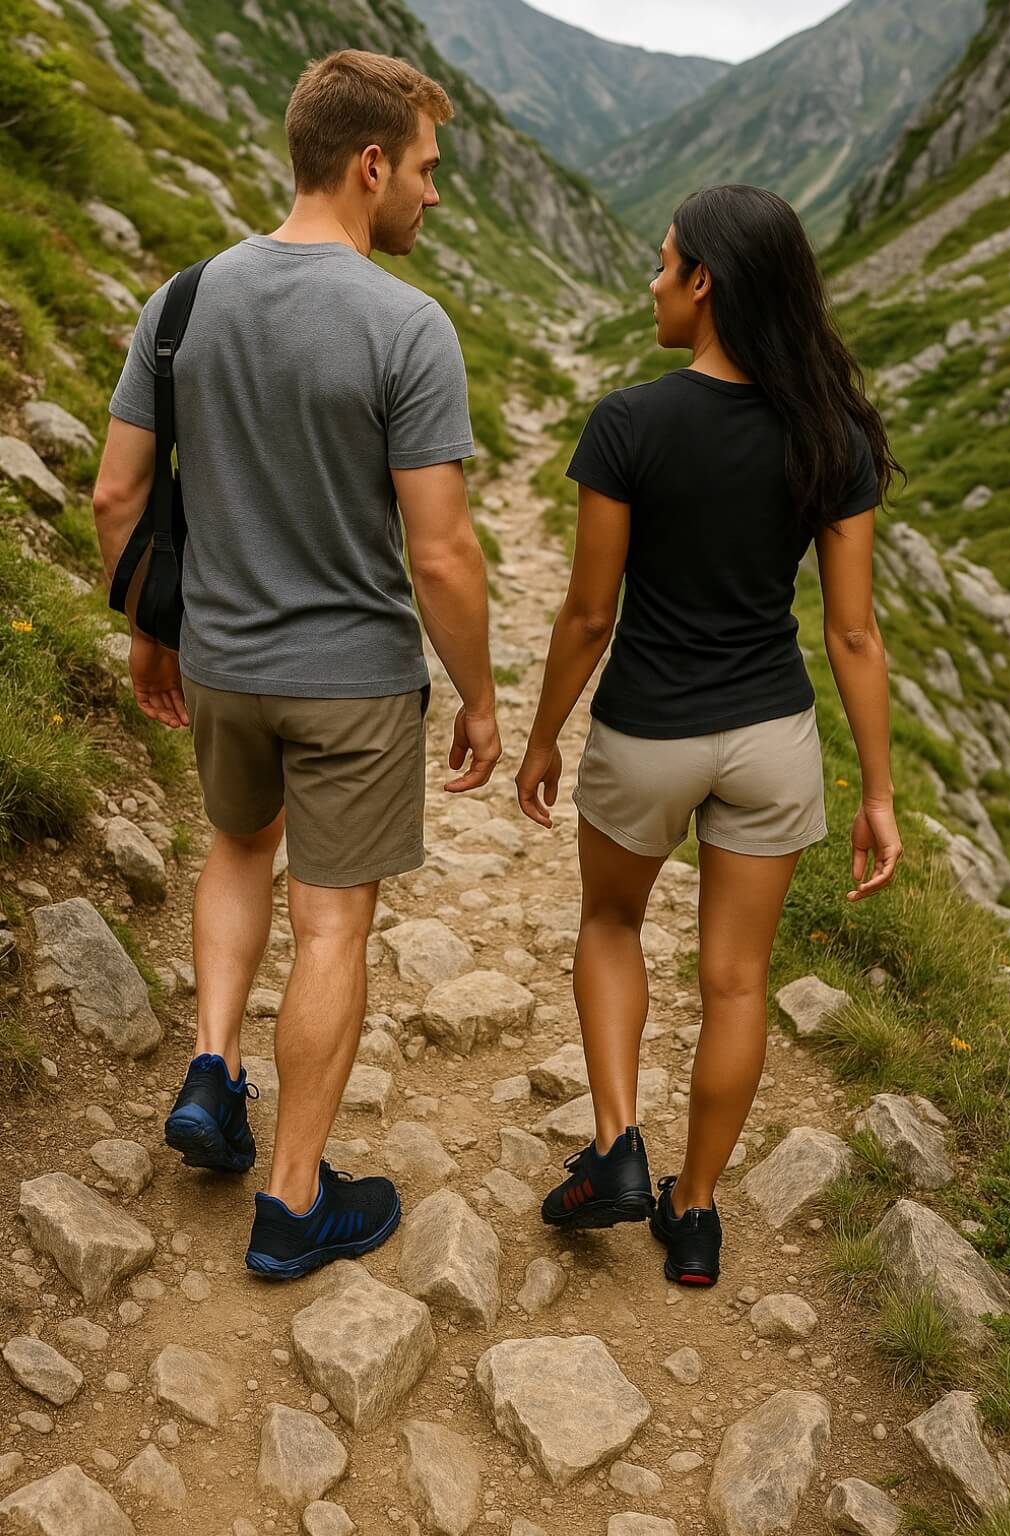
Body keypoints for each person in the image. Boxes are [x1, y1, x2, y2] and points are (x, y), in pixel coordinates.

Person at [92, 50, 501, 1281]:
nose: (432, 195)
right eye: (426, 170)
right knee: (331, 926)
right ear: (370, 163)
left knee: (236, 848)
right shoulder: (406, 324)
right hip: (354, 683)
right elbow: (441, 555)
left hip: (219, 662)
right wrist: (479, 694)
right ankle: (292, 1201)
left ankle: (214, 1069)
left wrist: (151, 629)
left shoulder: (184, 301)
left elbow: (117, 492)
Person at [515, 184, 904, 1287]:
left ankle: (616, 1148)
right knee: (736, 982)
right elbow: (852, 634)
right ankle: (692, 1216)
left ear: (705, 284)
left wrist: (544, 736)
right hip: (771, 736)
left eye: (663, 261)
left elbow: (589, 614)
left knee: (608, 920)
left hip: (647, 733)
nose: (652, 280)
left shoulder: (630, 423)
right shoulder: (832, 432)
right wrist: (875, 791)